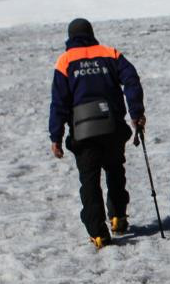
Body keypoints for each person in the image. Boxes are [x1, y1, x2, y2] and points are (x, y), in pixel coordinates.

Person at [48, 18, 146, 248]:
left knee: (90, 181)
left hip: (83, 131)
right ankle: (118, 217)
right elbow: (131, 80)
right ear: (91, 33)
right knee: (114, 171)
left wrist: (56, 136)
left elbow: (59, 102)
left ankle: (98, 232)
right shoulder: (110, 53)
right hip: (112, 125)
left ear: (70, 37)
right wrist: (136, 112)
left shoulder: (65, 61)